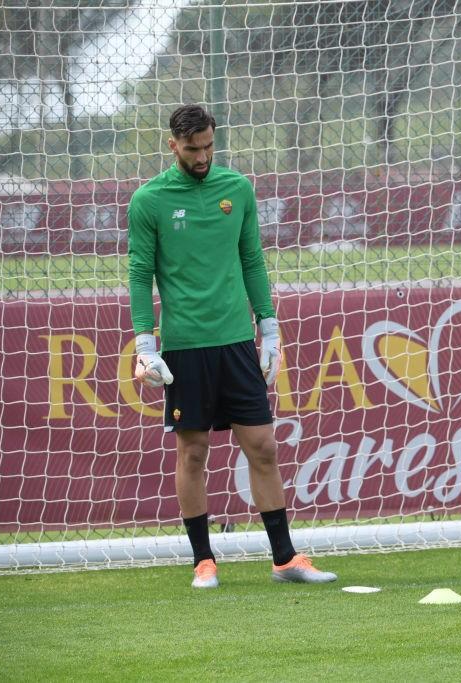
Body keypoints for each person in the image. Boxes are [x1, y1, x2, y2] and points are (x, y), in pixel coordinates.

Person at [127, 104, 337, 589]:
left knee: (263, 446)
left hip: (237, 342)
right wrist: (145, 343)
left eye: (208, 147)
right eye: (192, 148)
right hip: (183, 347)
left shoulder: (236, 189)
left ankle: (285, 558)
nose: (202, 157)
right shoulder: (149, 200)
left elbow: (252, 260)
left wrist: (269, 328)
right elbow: (140, 274)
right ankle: (204, 560)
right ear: (173, 145)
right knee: (193, 452)